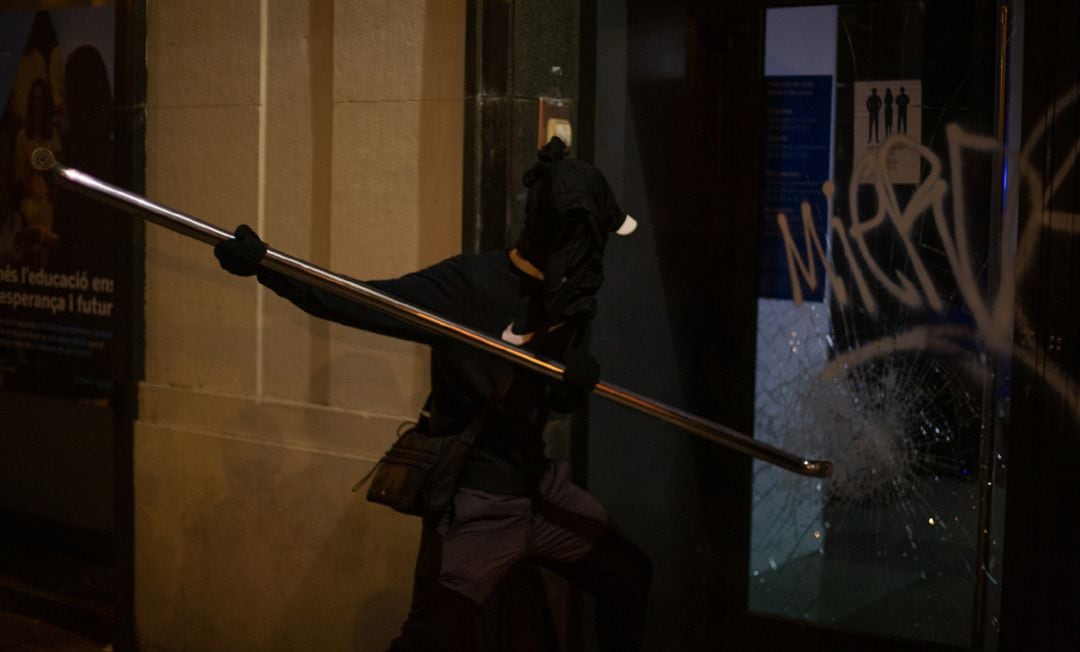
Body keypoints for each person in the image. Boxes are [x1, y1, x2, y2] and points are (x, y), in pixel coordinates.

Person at [214, 137, 651, 651]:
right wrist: (265, 265)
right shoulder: (468, 286)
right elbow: (358, 300)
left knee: (630, 576)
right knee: (428, 641)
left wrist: (572, 385)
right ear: (574, 235)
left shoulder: (569, 301)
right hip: (478, 508)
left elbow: (548, 405)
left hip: (540, 491)